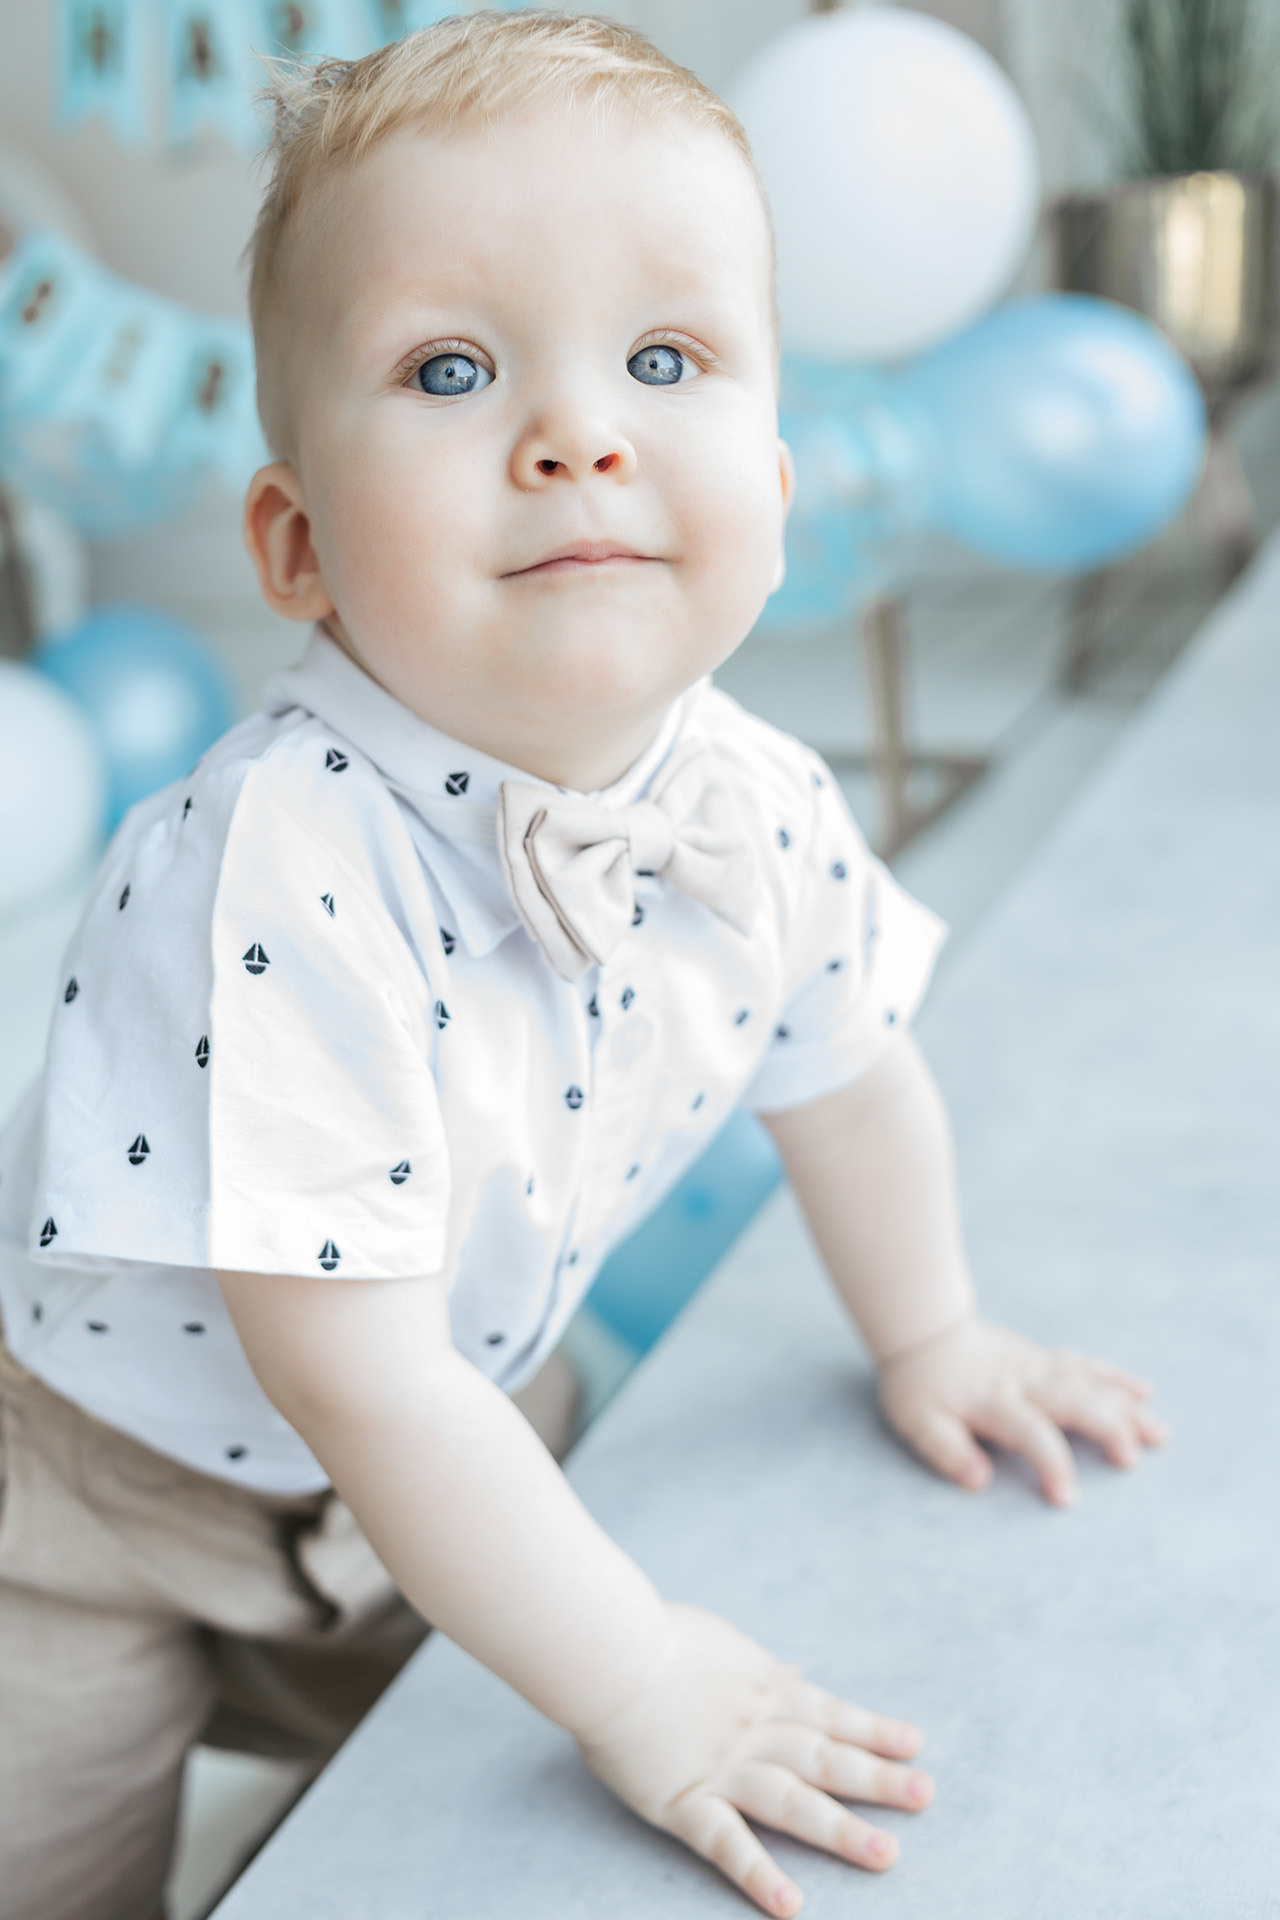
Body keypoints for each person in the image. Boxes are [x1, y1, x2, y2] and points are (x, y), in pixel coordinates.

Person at [0, 14, 1170, 1920]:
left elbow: (854, 1076)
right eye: (453, 367)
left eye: (664, 357)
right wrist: (640, 1685)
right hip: (80, 1501)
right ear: (294, 546)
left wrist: (932, 1331)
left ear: (778, 495)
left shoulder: (757, 802)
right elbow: (359, 1382)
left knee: (443, 1852)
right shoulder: (271, 870)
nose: (580, 429)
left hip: (468, 1420)